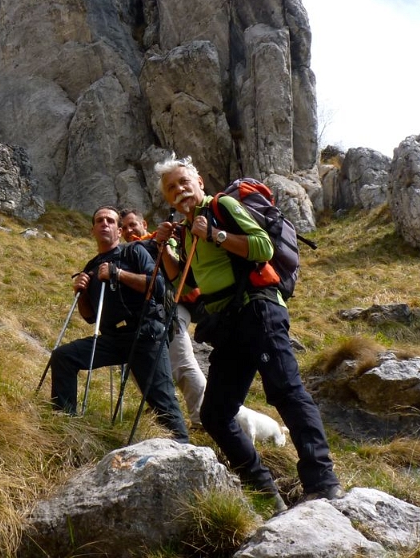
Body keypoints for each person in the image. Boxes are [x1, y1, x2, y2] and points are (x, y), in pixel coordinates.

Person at [154, 155, 343, 512]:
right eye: (171, 188)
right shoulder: (185, 229)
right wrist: (165, 249)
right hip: (228, 323)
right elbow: (186, 284)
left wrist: (215, 233)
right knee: (214, 414)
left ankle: (322, 483)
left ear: (199, 183)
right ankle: (264, 491)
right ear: (167, 199)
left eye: (183, 182)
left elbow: (262, 247)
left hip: (257, 309)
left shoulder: (222, 207)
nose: (179, 190)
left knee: (285, 391)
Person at [49, 205, 189, 443]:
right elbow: (90, 316)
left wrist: (118, 274)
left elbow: (157, 286)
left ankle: (184, 448)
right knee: (63, 356)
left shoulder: (134, 252)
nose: (105, 224)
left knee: (161, 399)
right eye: (99, 220)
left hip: (145, 333)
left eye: (111, 221)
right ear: (93, 229)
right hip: (113, 338)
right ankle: (65, 426)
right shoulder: (91, 267)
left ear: (118, 230)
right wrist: (81, 292)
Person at [118, 208, 207, 427]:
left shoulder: (162, 240)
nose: (129, 231)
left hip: (171, 308)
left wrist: (161, 244)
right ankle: (164, 411)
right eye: (125, 227)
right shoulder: (125, 252)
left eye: (133, 225)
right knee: (142, 366)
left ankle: (201, 420)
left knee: (182, 363)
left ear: (144, 223)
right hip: (147, 316)